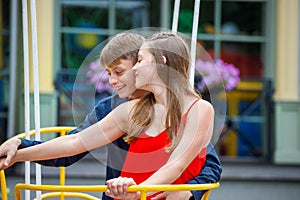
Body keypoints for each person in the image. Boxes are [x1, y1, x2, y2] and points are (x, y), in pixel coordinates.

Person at [0, 32, 221, 200]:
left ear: (161, 62)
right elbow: (75, 141)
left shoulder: (199, 110)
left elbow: (186, 164)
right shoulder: (129, 109)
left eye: (140, 61)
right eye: (109, 73)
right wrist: (18, 152)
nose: (135, 69)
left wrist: (180, 192)